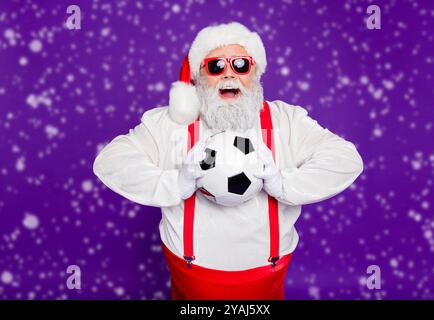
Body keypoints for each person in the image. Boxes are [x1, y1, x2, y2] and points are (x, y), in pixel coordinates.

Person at [93, 22, 364, 300]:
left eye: (240, 64)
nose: (229, 75)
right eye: (215, 66)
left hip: (267, 275)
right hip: (191, 275)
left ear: (255, 72)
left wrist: (283, 184)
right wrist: (175, 184)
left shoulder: (286, 120)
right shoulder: (170, 124)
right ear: (198, 77)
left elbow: (345, 159)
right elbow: (111, 161)